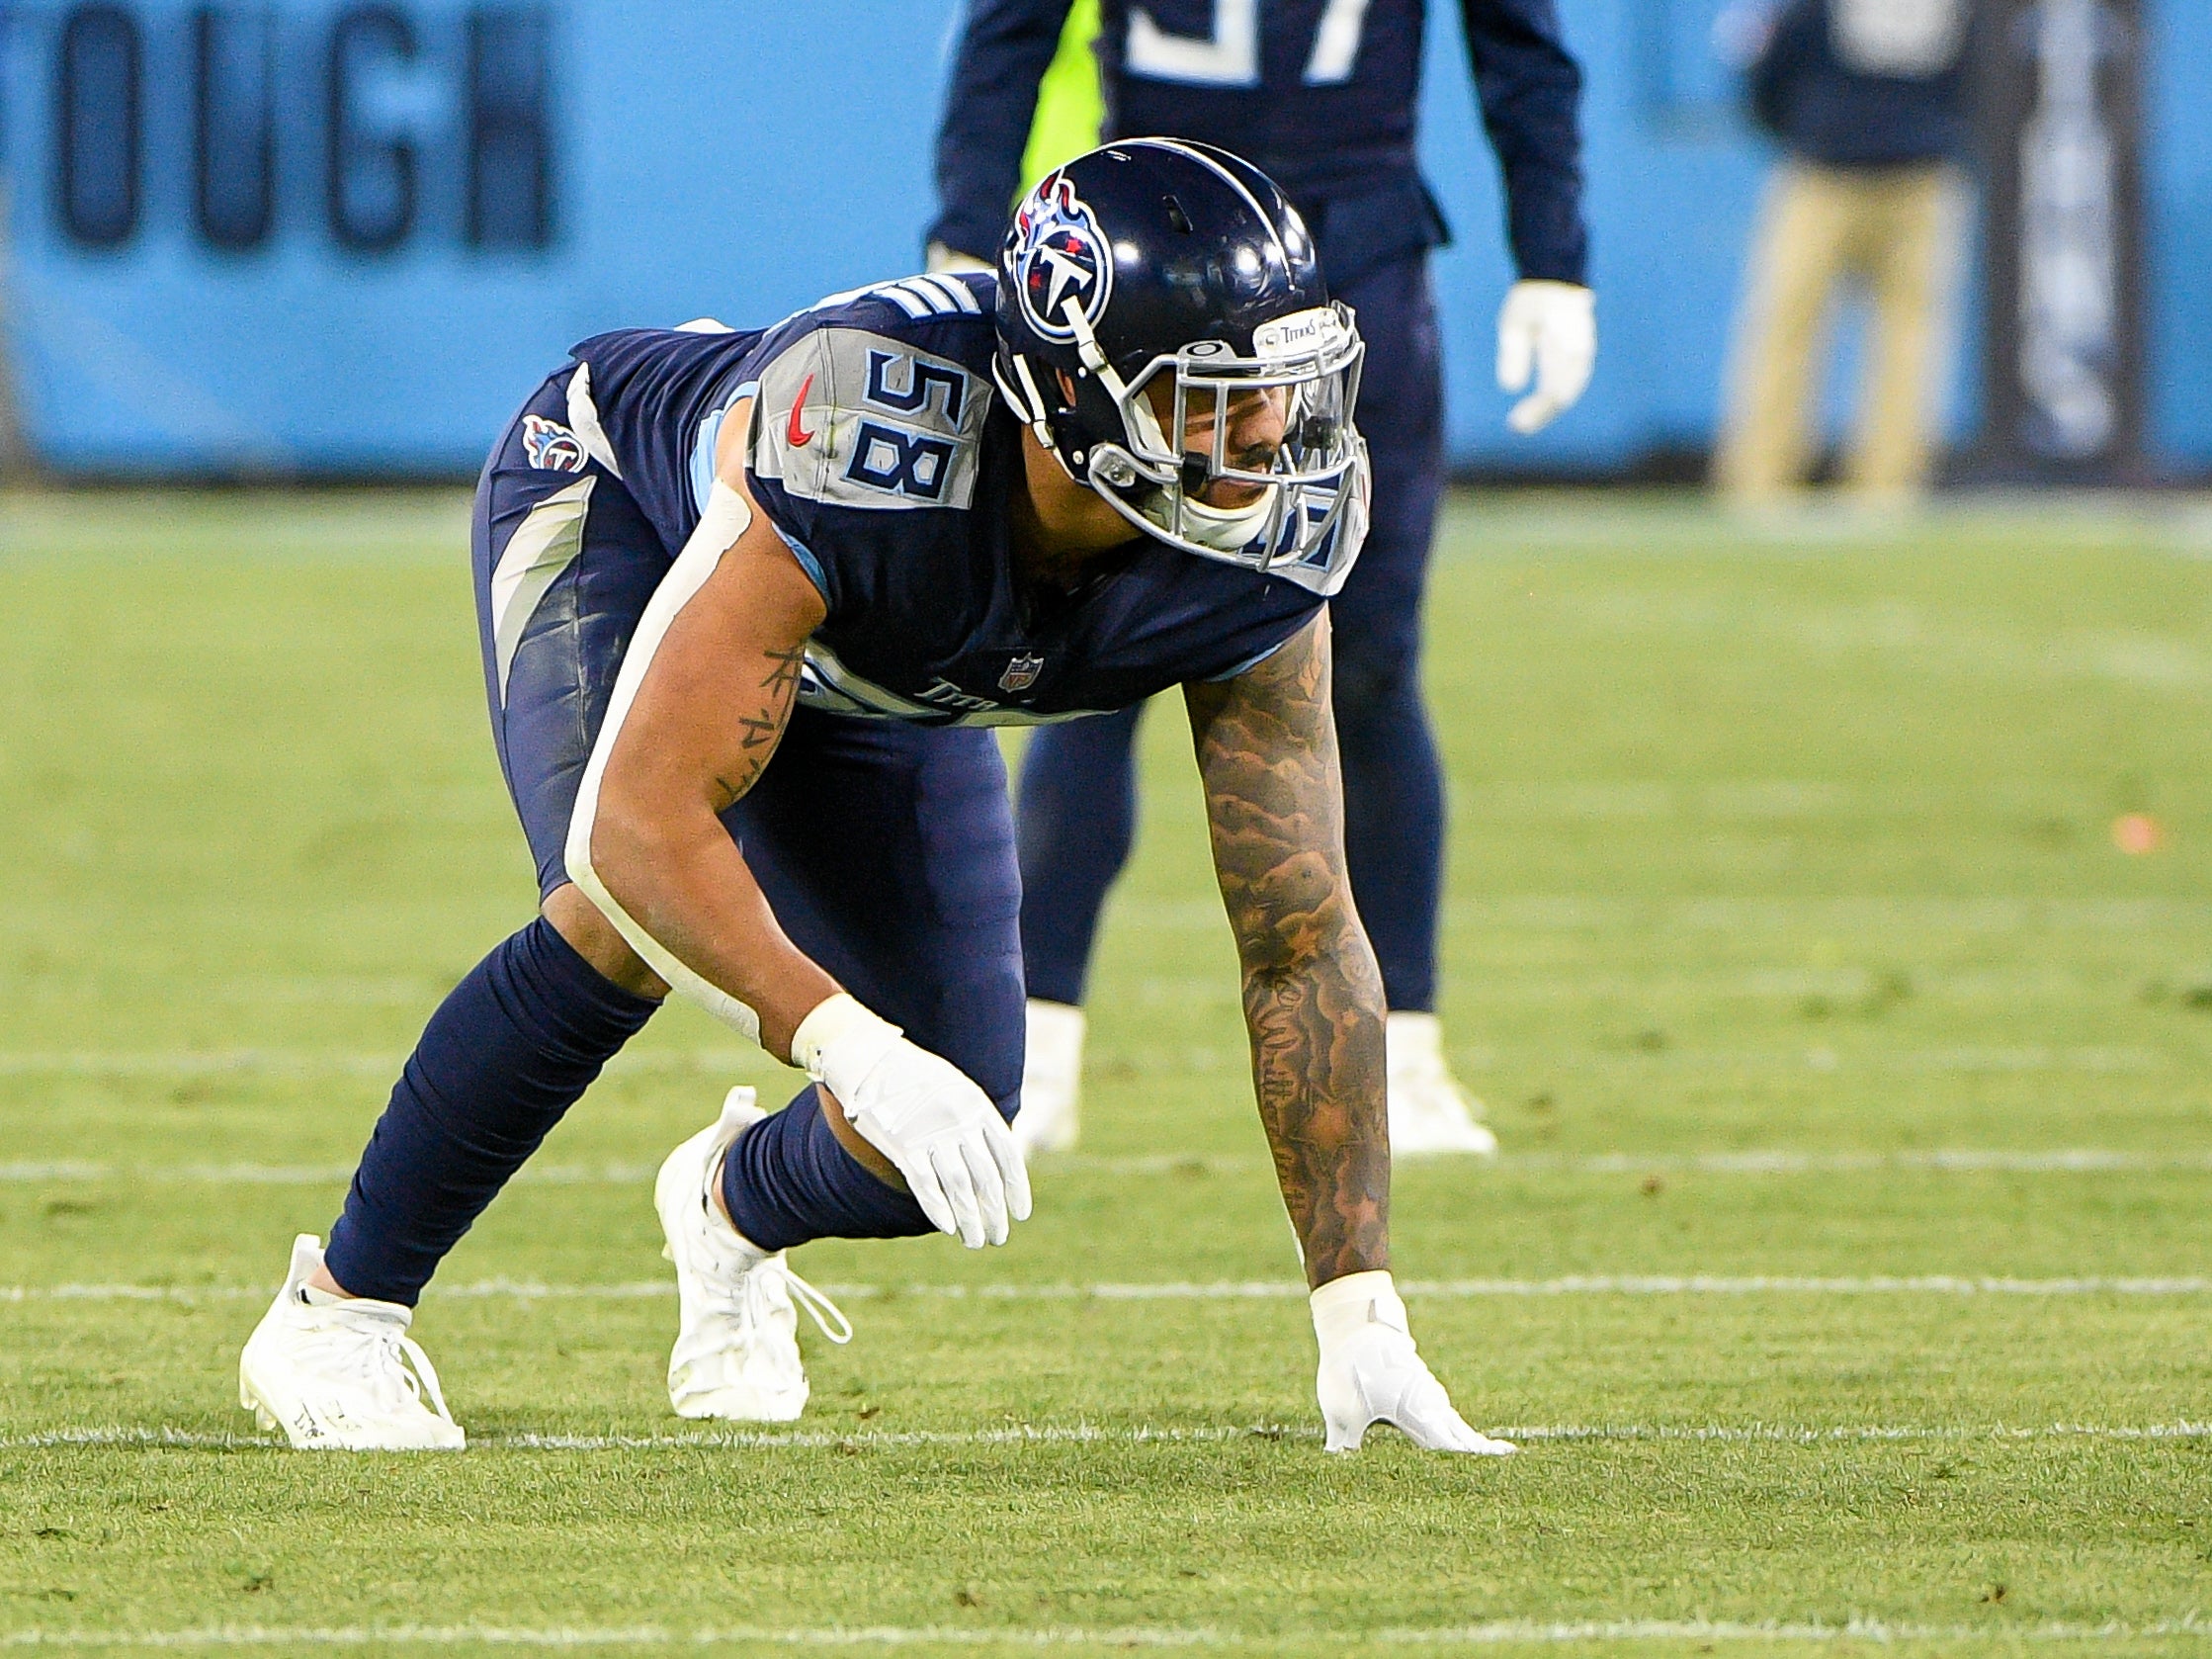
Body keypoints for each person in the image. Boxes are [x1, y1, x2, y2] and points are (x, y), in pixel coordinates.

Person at [236, 140, 1515, 1458]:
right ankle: (337, 1308)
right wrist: (843, 1039)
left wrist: (1355, 1303)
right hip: (629, 510)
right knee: (614, 916)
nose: (1268, 437)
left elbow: (1297, 929)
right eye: (1211, 397)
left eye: (1279, 388)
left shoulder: (1260, 538)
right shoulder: (860, 433)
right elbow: (635, 828)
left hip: (886, 664)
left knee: (955, 1114)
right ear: (1068, 392)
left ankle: (726, 1210)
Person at [929, 0, 1595, 1158]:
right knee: (1092, 656)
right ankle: (1036, 1042)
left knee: (1373, 666)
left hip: (1358, 250)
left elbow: (1521, 47)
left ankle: (1408, 1052)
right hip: (1150, 261)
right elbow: (1007, 32)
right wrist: (964, 224)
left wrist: (1555, 256)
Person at [1713, 0, 1976, 506]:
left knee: (1800, 328)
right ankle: (1872, 485)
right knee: (1898, 337)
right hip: (1894, 173)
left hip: (1843, 171)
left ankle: (1772, 482)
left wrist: (1808, 129)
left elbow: (1769, 69)